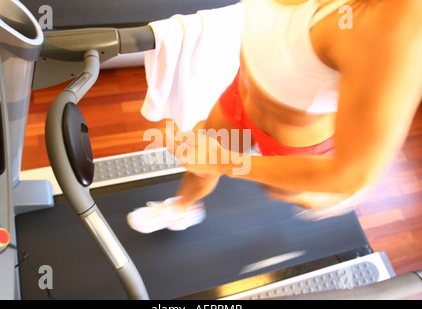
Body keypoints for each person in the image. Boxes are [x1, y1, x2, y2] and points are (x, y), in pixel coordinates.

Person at [127, 0, 422, 233]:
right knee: (199, 165)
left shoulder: (391, 18)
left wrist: (226, 162)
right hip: (240, 96)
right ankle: (183, 207)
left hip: (294, 143)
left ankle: (332, 199)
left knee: (279, 190)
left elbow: (352, 173)